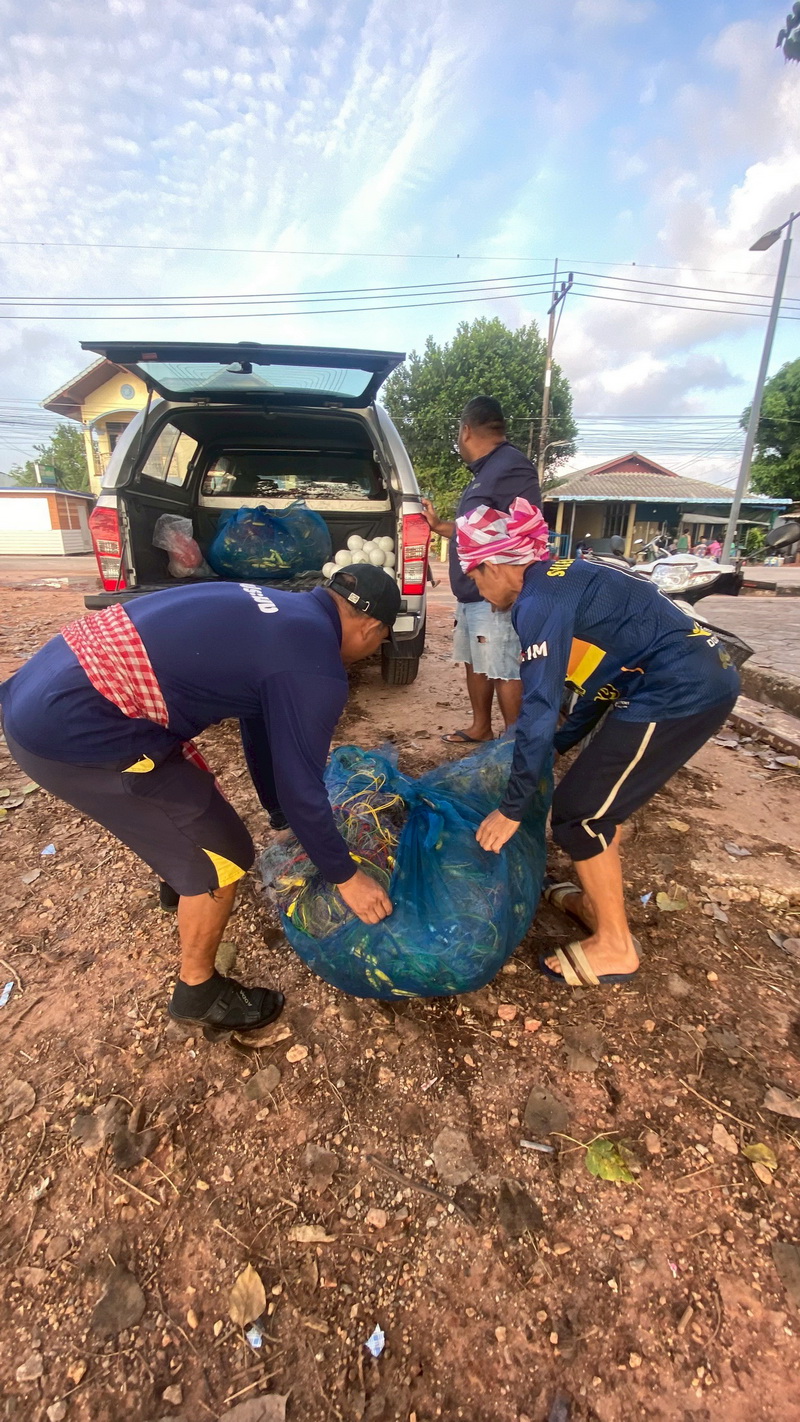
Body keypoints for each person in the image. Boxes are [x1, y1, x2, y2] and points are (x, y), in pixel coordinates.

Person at [0, 567, 398, 1035]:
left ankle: (180, 877)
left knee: (186, 798)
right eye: (381, 641)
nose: (375, 649)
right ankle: (198, 990)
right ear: (371, 628)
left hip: (42, 688)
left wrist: (278, 813)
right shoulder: (315, 665)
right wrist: (345, 876)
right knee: (222, 853)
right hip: (72, 729)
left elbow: (261, 721)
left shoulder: (280, 608)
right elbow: (302, 787)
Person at [456, 498, 740, 988]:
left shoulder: (537, 603)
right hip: (679, 679)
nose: (478, 591)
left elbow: (539, 707)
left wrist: (511, 807)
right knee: (597, 796)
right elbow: (604, 677)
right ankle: (593, 903)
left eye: (475, 577)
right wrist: (560, 745)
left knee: (582, 813)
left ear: (495, 565)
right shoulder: (560, 579)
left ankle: (615, 945)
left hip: (680, 691)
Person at [422, 396, 541, 745]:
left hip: (493, 596)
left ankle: (516, 745)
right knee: (475, 662)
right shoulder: (486, 472)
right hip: (471, 593)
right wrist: (440, 526)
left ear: (466, 431)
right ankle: (481, 728)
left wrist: (503, 586)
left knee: (503, 668)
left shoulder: (512, 466)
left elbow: (526, 532)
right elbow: (478, 531)